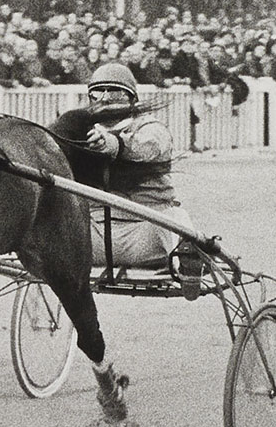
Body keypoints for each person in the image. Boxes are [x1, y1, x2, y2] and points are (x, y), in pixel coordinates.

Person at [50, 61, 195, 279]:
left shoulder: (151, 127)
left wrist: (115, 144)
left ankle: (189, 262)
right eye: (98, 92)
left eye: (115, 92)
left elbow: (151, 148)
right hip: (93, 233)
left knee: (176, 217)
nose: (106, 98)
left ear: (131, 98)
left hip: (147, 228)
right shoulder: (80, 129)